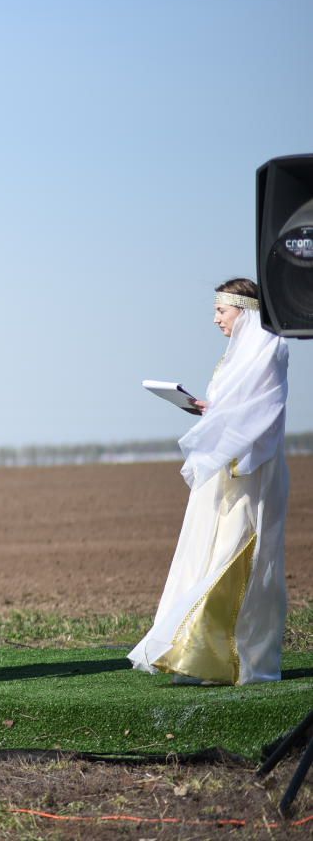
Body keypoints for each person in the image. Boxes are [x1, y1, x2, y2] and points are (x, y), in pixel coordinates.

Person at [129, 278, 291, 685]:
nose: (216, 318)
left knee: (239, 557)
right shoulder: (234, 357)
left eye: (222, 310)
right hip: (223, 467)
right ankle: (194, 653)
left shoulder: (270, 349)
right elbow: (232, 409)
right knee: (204, 553)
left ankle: (240, 661)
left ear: (244, 310)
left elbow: (262, 412)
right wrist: (208, 411)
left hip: (249, 470)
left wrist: (215, 417)